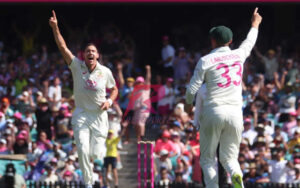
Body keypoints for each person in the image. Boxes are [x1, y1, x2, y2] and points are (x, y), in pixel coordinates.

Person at [185, 8, 262, 188]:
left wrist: (188, 105)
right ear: (230, 41)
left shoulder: (205, 60)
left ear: (213, 41)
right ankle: (236, 178)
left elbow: (193, 88)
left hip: (213, 111)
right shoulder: (239, 54)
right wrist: (255, 23)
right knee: (229, 159)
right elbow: (250, 41)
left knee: (207, 159)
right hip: (235, 113)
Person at [49, 10, 118, 188]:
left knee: (95, 154)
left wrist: (109, 101)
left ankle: (97, 165)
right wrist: (56, 28)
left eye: (93, 51)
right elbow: (63, 48)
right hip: (81, 114)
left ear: (98, 55)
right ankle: (88, 184)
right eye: (87, 51)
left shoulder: (105, 72)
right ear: (83, 55)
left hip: (99, 116)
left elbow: (115, 89)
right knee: (82, 148)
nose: (90, 53)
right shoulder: (76, 66)